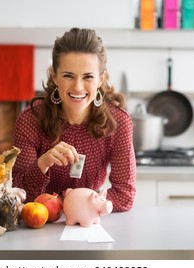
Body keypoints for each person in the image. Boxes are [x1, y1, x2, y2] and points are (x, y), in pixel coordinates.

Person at [12, 28, 136, 212]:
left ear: (100, 79)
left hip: (91, 221)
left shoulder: (118, 122)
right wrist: (42, 164)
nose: (78, 87)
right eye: (68, 76)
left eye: (88, 77)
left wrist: (73, 204)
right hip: (42, 222)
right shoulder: (30, 121)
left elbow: (124, 196)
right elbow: (18, 194)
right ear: (54, 76)